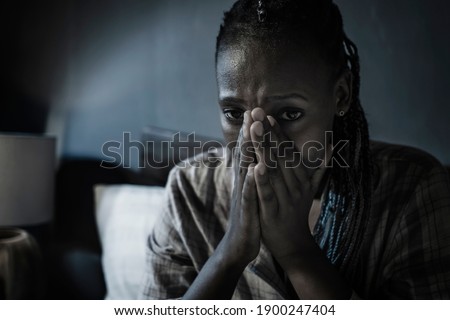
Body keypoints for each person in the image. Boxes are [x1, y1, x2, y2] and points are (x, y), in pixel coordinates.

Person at [141, 0, 450, 299]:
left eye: (290, 114)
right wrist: (229, 254)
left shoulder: (413, 191)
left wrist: (298, 253)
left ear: (341, 95)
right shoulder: (189, 191)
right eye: (235, 114)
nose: (257, 139)